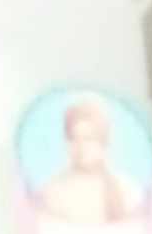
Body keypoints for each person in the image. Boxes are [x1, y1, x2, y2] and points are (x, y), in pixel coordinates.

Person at [35, 93, 145, 226]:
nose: (81, 146)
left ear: (103, 142)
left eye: (88, 139)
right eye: (74, 138)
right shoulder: (52, 192)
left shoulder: (126, 190)